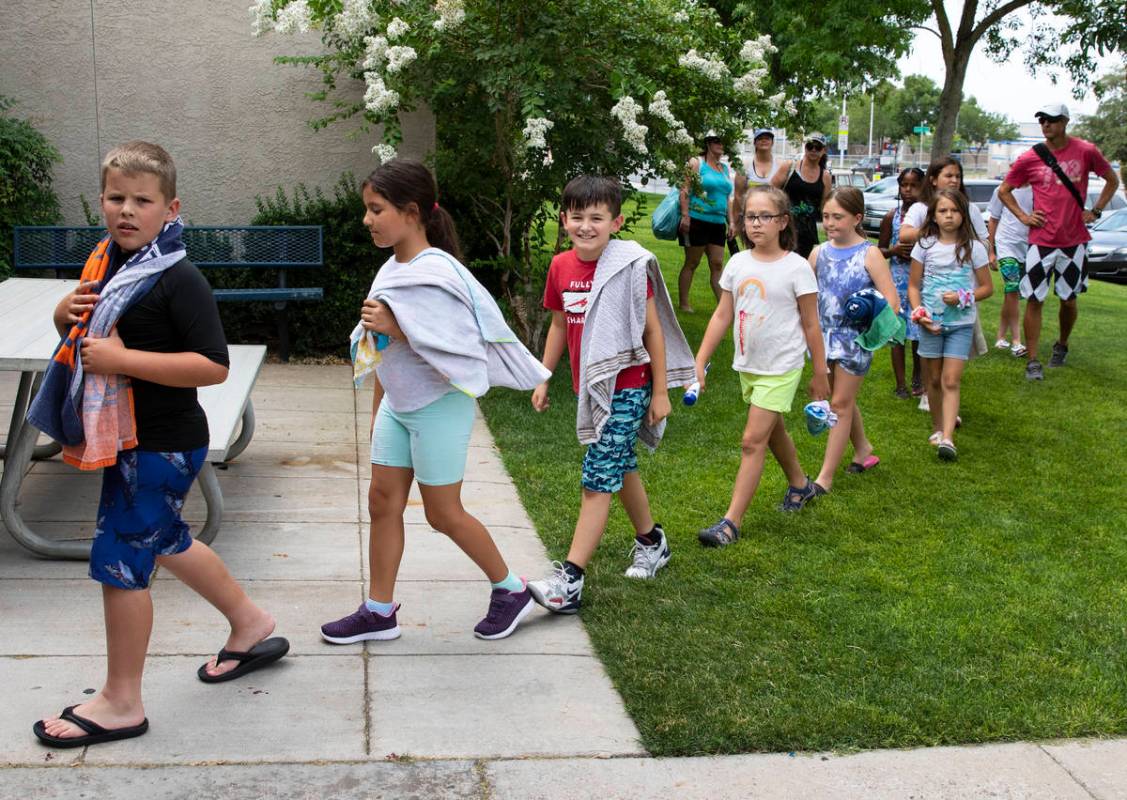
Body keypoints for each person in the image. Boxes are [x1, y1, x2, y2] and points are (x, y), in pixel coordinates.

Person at [31, 141, 288, 748]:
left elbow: (212, 366)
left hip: (162, 445)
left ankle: (121, 702)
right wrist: (64, 315)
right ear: (102, 201)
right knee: (165, 537)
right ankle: (251, 625)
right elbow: (87, 334)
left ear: (170, 208)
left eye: (142, 200)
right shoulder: (107, 265)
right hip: (128, 439)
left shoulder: (177, 277)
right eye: (116, 198)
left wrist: (122, 359)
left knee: (121, 561)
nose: (127, 210)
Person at [321, 160, 550, 645]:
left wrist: (398, 327)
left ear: (410, 213)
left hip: (439, 406)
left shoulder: (439, 272)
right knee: (382, 502)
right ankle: (379, 610)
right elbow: (384, 351)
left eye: (375, 209)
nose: (367, 219)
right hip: (398, 408)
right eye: (367, 209)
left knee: (442, 513)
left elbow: (459, 345)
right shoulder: (392, 267)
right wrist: (380, 407)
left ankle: (511, 590)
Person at [529, 176, 695, 612]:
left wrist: (661, 392)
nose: (586, 226)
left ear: (616, 222)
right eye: (577, 217)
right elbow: (560, 325)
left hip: (630, 383)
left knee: (598, 476)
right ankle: (652, 541)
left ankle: (570, 580)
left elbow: (652, 329)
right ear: (564, 219)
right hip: (590, 384)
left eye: (597, 218)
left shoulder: (629, 266)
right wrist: (543, 376)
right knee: (621, 466)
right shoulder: (561, 267)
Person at [693, 185, 830, 547]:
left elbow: (812, 324)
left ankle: (730, 523)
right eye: (750, 216)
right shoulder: (737, 263)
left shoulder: (797, 268)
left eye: (764, 217)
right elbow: (722, 315)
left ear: (783, 221)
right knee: (773, 432)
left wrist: (820, 372)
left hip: (782, 366)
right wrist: (700, 359)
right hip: (749, 365)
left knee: (752, 440)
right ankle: (801, 485)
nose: (755, 223)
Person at [996, 102, 1120, 381]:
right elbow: (1004, 191)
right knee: (1034, 299)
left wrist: (1096, 210)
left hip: (1074, 240)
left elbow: (1112, 180)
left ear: (1064, 121)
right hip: (1040, 241)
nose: (1046, 125)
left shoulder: (1086, 150)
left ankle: (1061, 344)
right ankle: (1032, 360)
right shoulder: (1030, 157)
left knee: (1069, 299)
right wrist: (1024, 217)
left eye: (1051, 120)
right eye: (1041, 120)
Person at [808, 187, 899, 496]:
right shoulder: (818, 253)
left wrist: (868, 310)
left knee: (839, 405)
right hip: (822, 337)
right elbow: (805, 294)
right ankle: (863, 449)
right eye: (825, 217)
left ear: (857, 218)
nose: (830, 223)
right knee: (840, 398)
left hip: (854, 341)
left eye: (838, 217)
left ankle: (825, 478)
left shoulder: (869, 254)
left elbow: (893, 302)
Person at [908, 189, 993, 461]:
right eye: (943, 210)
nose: (948, 215)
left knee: (950, 380)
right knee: (932, 379)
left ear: (963, 214)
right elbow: (913, 286)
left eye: (954, 211)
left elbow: (987, 288)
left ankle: (948, 438)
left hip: (961, 324)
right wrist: (919, 312)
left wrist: (963, 297)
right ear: (933, 215)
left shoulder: (974, 247)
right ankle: (937, 427)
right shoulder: (924, 246)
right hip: (930, 323)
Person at [877, 167, 926, 398]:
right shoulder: (892, 217)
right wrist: (894, 250)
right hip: (896, 281)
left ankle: (918, 376)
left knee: (918, 331)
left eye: (913, 185)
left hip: (920, 280)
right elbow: (879, 251)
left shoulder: (927, 217)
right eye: (904, 185)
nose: (908, 190)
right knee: (897, 333)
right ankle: (900, 384)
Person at [677, 133, 735, 311]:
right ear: (708, 144)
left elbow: (727, 198)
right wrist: (686, 215)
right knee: (692, 262)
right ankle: (684, 303)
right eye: (717, 141)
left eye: (723, 142)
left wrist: (731, 222)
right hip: (697, 220)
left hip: (718, 223)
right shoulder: (696, 163)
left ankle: (722, 307)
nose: (720, 144)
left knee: (717, 263)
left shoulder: (724, 169)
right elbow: (684, 190)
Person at [986, 180, 1032, 357]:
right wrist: (991, 250)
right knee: (1012, 288)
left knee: (1011, 295)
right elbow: (994, 220)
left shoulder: (1038, 190)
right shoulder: (1002, 190)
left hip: (1028, 248)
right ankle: (1016, 342)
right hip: (1006, 246)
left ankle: (1000, 337)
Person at [772, 132, 832, 258]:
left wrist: (829, 230)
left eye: (818, 147)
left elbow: (825, 206)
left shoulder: (825, 176)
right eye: (810, 146)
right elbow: (770, 192)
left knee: (801, 267)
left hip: (807, 232)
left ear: (823, 151)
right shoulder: (789, 167)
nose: (813, 150)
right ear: (805, 148)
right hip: (784, 228)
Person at [730, 128, 778, 253]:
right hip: (750, 218)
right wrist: (736, 223)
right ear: (755, 142)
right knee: (751, 252)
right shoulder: (745, 165)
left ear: (772, 142)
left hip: (772, 219)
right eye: (760, 138)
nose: (764, 141)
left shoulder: (779, 165)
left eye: (767, 138)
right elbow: (738, 195)